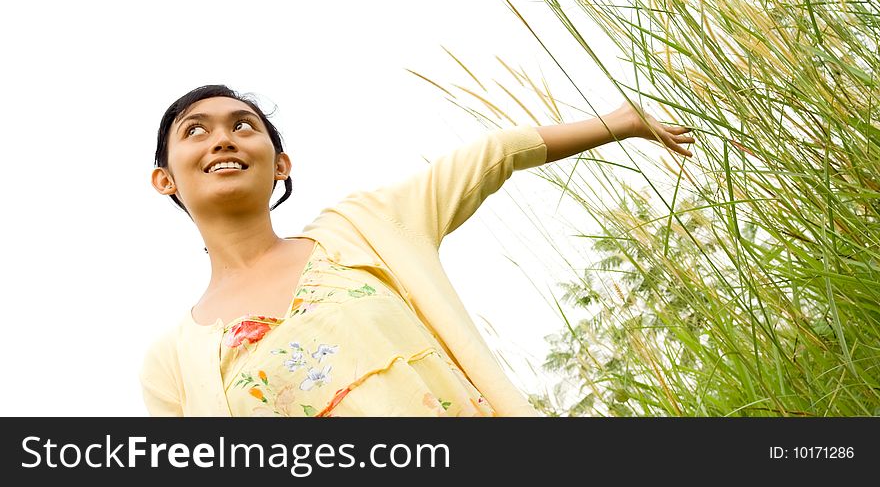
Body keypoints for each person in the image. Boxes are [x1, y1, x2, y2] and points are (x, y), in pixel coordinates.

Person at [140, 84, 695, 417]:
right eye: (195, 131)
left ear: (281, 165)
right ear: (165, 179)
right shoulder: (174, 363)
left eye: (244, 125)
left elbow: (493, 153)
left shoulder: (363, 227)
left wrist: (621, 122)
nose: (223, 138)